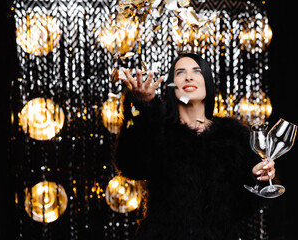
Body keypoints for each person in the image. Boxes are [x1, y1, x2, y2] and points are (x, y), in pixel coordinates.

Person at [114, 53, 276, 240]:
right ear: (171, 86)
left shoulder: (234, 136)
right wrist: (141, 106)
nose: (188, 77)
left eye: (196, 71)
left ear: (207, 82)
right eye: (180, 72)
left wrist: (261, 179)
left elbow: (245, 206)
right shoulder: (158, 129)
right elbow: (130, 165)